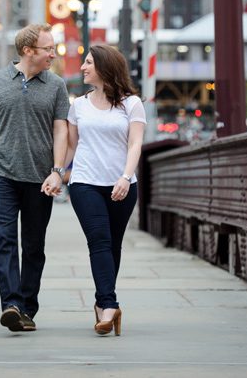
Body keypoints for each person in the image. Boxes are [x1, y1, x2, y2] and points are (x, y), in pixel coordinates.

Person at [0, 23, 69, 333]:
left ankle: (28, 308)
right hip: (1, 173)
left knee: (34, 245)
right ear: (28, 51)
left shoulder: (56, 85)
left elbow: (60, 129)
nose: (53, 54)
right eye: (48, 49)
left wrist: (57, 171)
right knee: (5, 240)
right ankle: (11, 305)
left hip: (40, 178)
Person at [65, 44, 146, 336]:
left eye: (88, 63)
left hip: (122, 185)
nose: (83, 67)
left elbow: (135, 143)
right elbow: (73, 145)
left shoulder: (131, 104)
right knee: (98, 240)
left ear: (104, 67)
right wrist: (57, 172)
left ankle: (102, 304)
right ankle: (110, 304)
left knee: (112, 245)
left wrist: (126, 177)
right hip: (85, 183)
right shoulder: (78, 105)